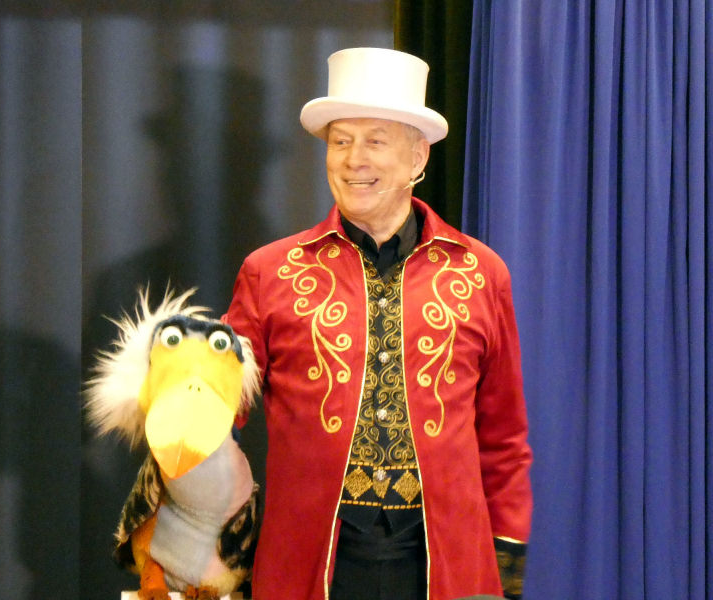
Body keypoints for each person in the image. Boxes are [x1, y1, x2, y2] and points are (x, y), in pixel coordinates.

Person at [224, 47, 532, 600]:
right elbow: (217, 412)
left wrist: (505, 567)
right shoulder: (269, 273)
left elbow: (503, 437)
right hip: (311, 564)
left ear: (418, 157)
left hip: (446, 565)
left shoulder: (481, 273)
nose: (352, 161)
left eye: (375, 141)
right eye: (341, 141)